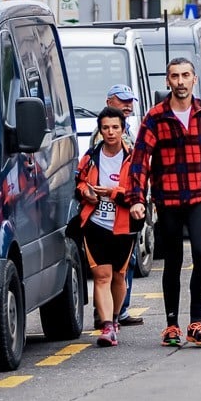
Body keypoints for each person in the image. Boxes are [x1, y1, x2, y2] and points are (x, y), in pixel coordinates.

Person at [127, 57, 201, 347]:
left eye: (185, 75)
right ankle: (172, 324)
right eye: (175, 76)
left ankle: (196, 322)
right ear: (167, 81)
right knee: (172, 261)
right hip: (168, 199)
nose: (180, 81)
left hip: (200, 196)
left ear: (194, 79)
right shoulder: (155, 117)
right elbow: (139, 160)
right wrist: (137, 198)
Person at [75, 107, 139, 347]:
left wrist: (114, 193)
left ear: (123, 129)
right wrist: (86, 193)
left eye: (115, 127)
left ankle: (114, 317)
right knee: (101, 275)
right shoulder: (91, 156)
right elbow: (79, 182)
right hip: (95, 223)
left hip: (124, 225)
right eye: (105, 128)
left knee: (118, 276)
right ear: (99, 130)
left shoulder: (133, 157)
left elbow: (139, 190)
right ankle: (107, 326)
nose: (110, 132)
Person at [90, 84, 144, 328]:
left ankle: (118, 312)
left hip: (128, 211)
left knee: (124, 268)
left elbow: (139, 173)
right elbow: (86, 176)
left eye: (130, 100)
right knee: (105, 272)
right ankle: (106, 315)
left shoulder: (131, 132)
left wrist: (140, 199)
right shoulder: (98, 141)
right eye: (122, 100)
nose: (128, 104)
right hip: (101, 216)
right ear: (109, 101)